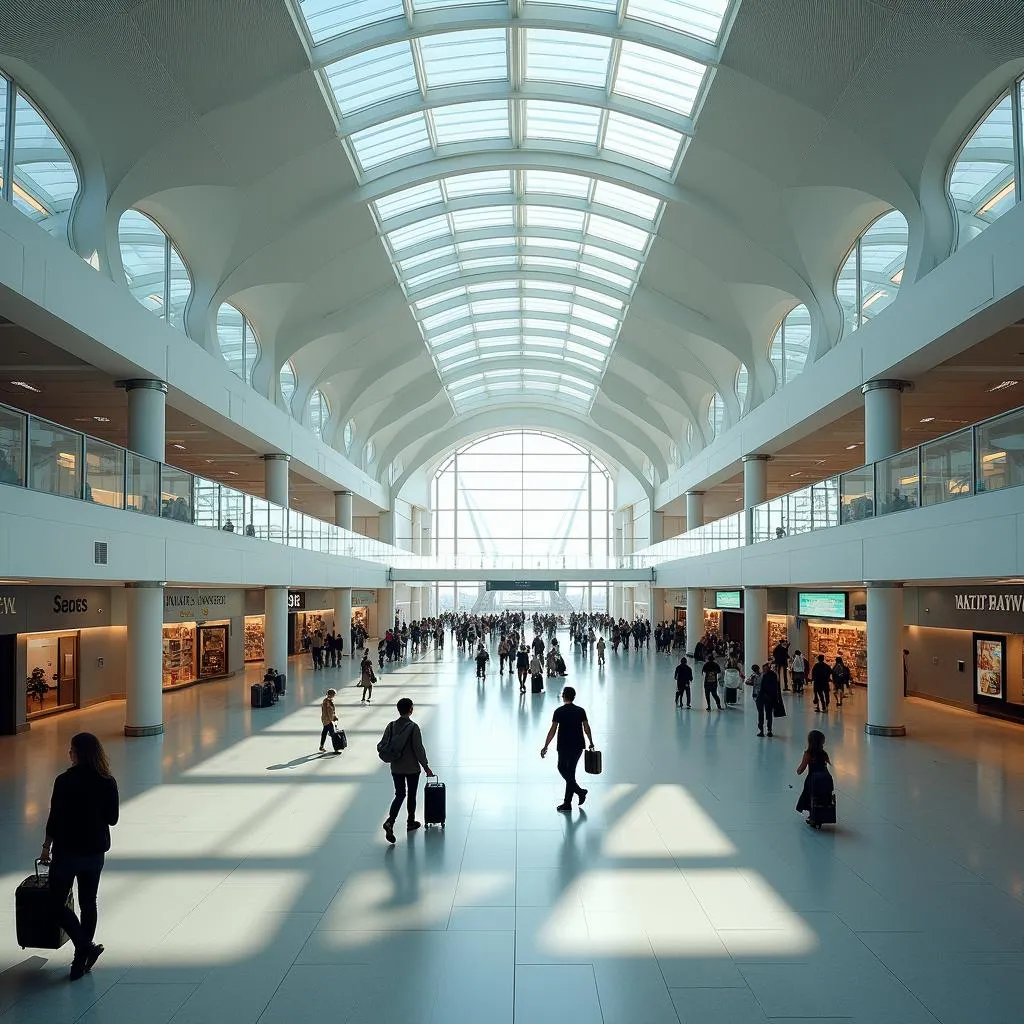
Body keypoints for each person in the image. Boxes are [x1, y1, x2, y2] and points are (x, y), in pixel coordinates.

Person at [39, 732, 119, 981]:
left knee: (55, 904)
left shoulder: (64, 780)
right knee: (88, 903)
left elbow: (54, 817)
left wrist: (45, 847)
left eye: (71, 749)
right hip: (94, 851)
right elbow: (113, 819)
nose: (69, 753)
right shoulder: (107, 781)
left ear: (79, 753)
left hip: (66, 852)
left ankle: (84, 948)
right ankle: (81, 958)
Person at [381, 697, 434, 844]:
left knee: (399, 794)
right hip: (411, 768)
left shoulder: (391, 726)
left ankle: (390, 821)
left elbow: (384, 744)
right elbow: (418, 750)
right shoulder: (413, 727)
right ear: (410, 709)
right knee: (411, 795)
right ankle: (410, 822)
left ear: (398, 710)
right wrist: (426, 767)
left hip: (396, 767)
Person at [540, 686, 595, 812]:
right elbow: (586, 727)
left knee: (562, 768)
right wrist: (591, 741)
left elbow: (552, 731)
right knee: (571, 772)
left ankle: (579, 793)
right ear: (573, 697)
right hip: (578, 745)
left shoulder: (559, 711)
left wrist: (545, 746)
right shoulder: (580, 711)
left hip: (564, 745)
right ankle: (568, 802)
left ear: (563, 696)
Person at [796, 729, 834, 827]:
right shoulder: (824, 754)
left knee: (809, 796)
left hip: (813, 779)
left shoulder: (808, 754)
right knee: (823, 796)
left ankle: (812, 814)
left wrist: (798, 770)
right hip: (826, 780)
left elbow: (800, 770)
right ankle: (821, 814)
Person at [756, 666, 781, 737]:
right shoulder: (773, 675)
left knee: (761, 714)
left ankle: (762, 730)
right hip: (769, 697)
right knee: (768, 714)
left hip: (762, 697)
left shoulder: (762, 675)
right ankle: (769, 730)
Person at [319, 688, 340, 753]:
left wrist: (334, 716)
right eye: (334, 694)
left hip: (325, 719)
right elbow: (329, 712)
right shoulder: (328, 702)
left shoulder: (327, 700)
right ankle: (336, 748)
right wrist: (333, 718)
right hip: (327, 720)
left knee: (324, 733)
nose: (334, 696)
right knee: (333, 734)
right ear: (330, 694)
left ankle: (321, 746)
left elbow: (330, 712)